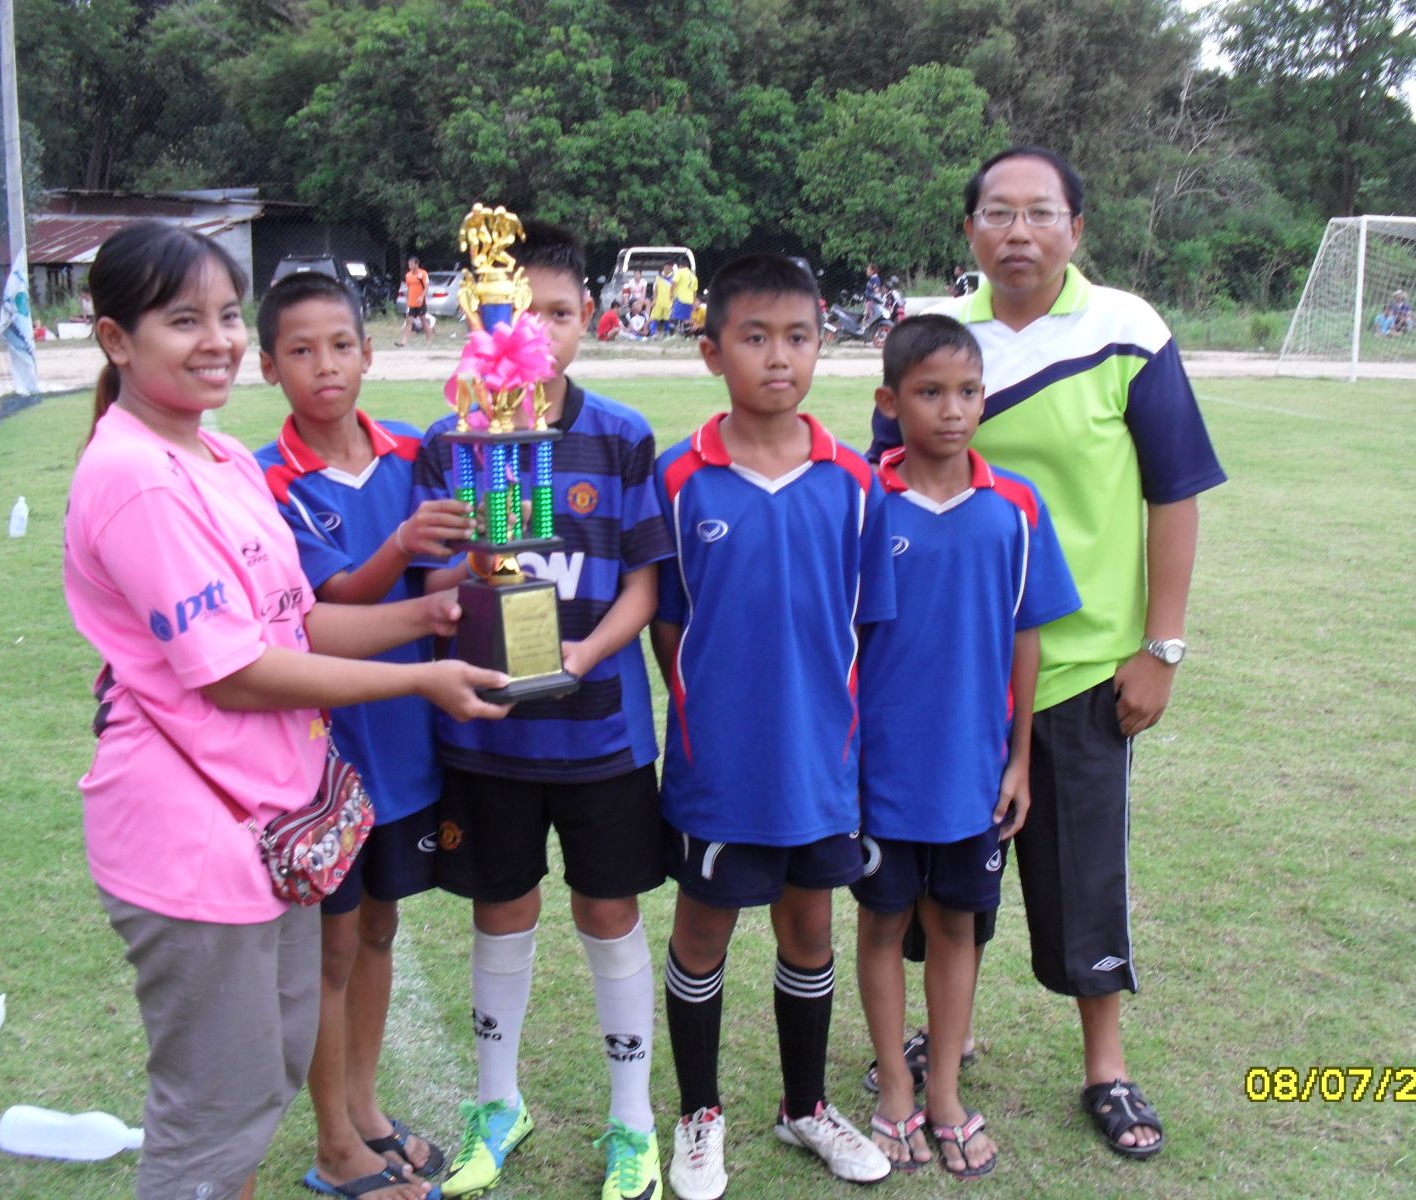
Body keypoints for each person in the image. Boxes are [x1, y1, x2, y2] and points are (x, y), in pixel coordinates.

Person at [63, 220, 511, 1200]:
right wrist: (421, 679)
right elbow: (236, 673)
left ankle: (342, 1139)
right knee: (214, 1123)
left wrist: (434, 614)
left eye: (226, 315)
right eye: (185, 320)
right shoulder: (136, 478)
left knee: (260, 1083)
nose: (217, 340)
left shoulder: (217, 457)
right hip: (193, 843)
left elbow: (298, 622)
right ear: (116, 340)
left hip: (269, 827)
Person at [870, 146, 1226, 1161]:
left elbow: (1174, 491)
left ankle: (1105, 1067)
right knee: (942, 880)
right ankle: (945, 1046)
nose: (1017, 232)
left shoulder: (1126, 330)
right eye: (996, 212)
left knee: (1081, 878)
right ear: (970, 228)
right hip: (946, 680)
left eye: (1039, 212)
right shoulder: (937, 337)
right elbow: (880, 487)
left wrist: (1160, 646)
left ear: (1076, 226)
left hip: (1082, 668)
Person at [411, 222, 675, 1200]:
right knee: (501, 908)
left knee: (609, 912)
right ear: (481, 323)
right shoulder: (450, 442)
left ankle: (632, 1124)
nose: (537, 334)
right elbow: (433, 584)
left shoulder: (621, 436)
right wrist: (473, 568)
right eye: (516, 315)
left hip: (599, 730)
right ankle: (498, 1105)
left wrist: (585, 653)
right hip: (488, 732)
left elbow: (644, 584)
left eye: (557, 314)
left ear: (586, 319)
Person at [652, 253, 897, 1200]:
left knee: (808, 925)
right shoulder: (680, 477)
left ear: (823, 345)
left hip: (819, 765)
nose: (779, 356)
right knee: (703, 932)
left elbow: (864, 624)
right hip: (719, 767)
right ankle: (698, 1115)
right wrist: (709, 707)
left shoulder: (854, 482)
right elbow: (669, 622)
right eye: (755, 337)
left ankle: (804, 1106)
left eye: (799, 336)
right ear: (712, 351)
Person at [254, 271, 481, 1199]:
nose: (325, 366)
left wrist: (485, 558)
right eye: (301, 350)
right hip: (326, 760)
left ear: (370, 352)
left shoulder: (415, 453)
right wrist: (404, 550)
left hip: (408, 743)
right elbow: (329, 608)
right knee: (332, 948)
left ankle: (364, 1107)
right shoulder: (269, 481)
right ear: (268, 367)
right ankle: (333, 1141)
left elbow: (446, 574)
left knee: (380, 929)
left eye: (341, 345)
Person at [856, 315, 1080, 1179]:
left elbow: (1027, 635)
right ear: (890, 401)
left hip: (973, 774)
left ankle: (944, 1091)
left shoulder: (1015, 507)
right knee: (883, 923)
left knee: (958, 926)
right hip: (880, 775)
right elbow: (841, 641)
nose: (952, 410)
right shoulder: (864, 502)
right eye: (929, 392)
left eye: (968, 392)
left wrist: (1019, 758)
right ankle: (895, 1092)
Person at [396, 257, 433, 347]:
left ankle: (429, 340)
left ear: (416, 264)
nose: (409, 266)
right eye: (409, 264)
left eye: (411, 264)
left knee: (423, 321)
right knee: (409, 321)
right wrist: (407, 299)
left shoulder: (423, 273)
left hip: (421, 303)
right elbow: (408, 288)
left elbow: (426, 287)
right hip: (411, 303)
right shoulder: (408, 275)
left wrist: (421, 297)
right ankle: (404, 342)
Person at [670, 261, 699, 335]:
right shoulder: (693, 276)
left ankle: (671, 335)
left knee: (674, 317)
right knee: (686, 319)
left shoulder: (680, 272)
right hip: (690, 300)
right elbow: (695, 291)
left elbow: (674, 282)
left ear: (680, 266)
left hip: (681, 298)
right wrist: (694, 301)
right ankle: (687, 336)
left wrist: (671, 293)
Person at [651, 262, 675, 337]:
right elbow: (655, 289)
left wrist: (673, 301)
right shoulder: (658, 277)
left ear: (671, 268)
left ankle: (666, 332)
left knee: (667, 318)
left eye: (669, 267)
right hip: (658, 301)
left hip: (669, 302)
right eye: (666, 267)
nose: (667, 269)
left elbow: (675, 290)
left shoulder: (674, 278)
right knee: (655, 317)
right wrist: (654, 299)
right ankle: (653, 333)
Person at [862, 263, 883, 330]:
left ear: (873, 271)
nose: (866, 271)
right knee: (867, 318)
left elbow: (876, 291)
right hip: (869, 301)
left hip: (872, 302)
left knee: (868, 318)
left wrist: (871, 302)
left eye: (868, 270)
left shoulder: (875, 279)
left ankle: (865, 331)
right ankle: (865, 330)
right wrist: (866, 300)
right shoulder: (872, 279)